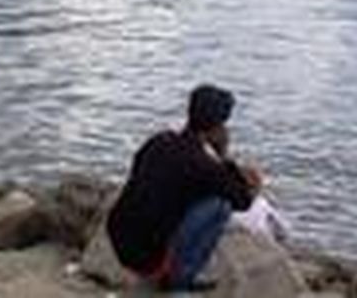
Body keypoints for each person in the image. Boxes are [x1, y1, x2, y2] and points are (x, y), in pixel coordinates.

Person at [107, 85, 256, 292]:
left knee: (187, 196)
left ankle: (171, 270)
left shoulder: (159, 140)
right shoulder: (204, 166)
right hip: (148, 259)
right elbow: (243, 201)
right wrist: (223, 156)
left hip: (118, 235)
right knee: (221, 205)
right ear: (217, 128)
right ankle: (180, 281)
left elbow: (139, 169)